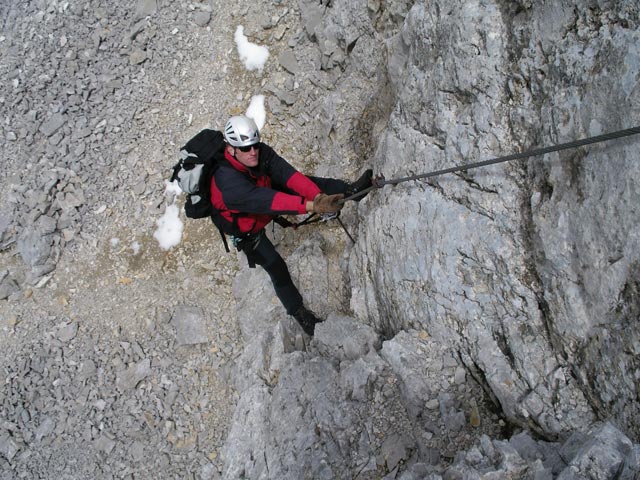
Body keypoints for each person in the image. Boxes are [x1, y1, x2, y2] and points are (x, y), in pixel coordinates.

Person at [209, 115, 373, 336]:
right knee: (277, 267)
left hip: (260, 190)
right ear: (231, 150)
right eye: (246, 149)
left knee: (308, 182)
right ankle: (299, 313)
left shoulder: (259, 154)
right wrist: (313, 206)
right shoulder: (228, 184)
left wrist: (318, 196)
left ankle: (352, 192)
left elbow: (290, 176)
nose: (253, 152)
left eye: (255, 146)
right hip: (249, 230)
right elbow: (271, 202)